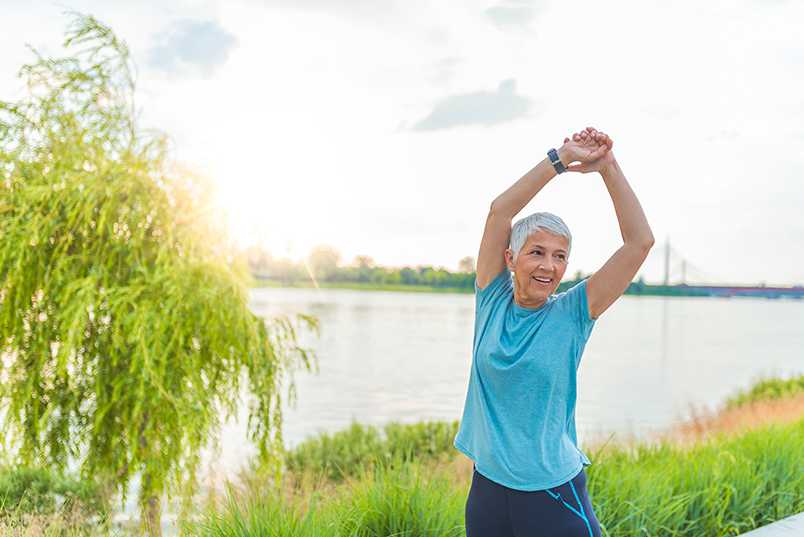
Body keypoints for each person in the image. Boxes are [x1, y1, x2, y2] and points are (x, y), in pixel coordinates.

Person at [454, 127, 654, 537]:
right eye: (537, 253)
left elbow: (639, 242)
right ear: (511, 258)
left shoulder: (574, 313)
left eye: (560, 256)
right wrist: (560, 157)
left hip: (552, 494)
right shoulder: (491, 300)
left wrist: (608, 168)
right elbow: (499, 211)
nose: (548, 266)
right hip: (488, 490)